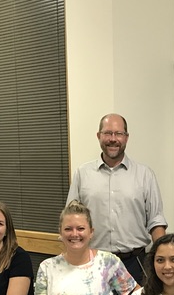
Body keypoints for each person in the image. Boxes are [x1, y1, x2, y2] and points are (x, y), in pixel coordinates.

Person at [66, 113, 166, 284]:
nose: (113, 139)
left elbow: (156, 221)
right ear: (99, 136)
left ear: (126, 138)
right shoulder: (82, 174)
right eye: (107, 133)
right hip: (93, 262)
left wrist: (164, 259)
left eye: (118, 133)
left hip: (135, 263)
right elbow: (71, 221)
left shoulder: (144, 175)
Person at [34, 200, 137, 295]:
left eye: (80, 228)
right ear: (60, 232)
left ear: (91, 232)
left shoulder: (108, 263)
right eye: (68, 229)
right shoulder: (47, 267)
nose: (74, 234)